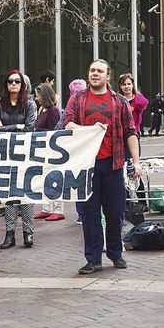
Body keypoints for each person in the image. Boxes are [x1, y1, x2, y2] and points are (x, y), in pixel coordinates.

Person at [64, 59, 143, 275]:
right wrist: (87, 129)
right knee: (89, 214)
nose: (95, 74)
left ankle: (116, 253)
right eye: (92, 70)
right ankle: (93, 259)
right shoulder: (77, 99)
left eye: (99, 71)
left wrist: (136, 162)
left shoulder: (118, 101)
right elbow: (67, 123)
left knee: (115, 212)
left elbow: (131, 132)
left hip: (114, 164)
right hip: (87, 166)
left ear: (108, 76)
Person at [0, 70, 38, 249]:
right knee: (8, 194)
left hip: (25, 153)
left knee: (26, 194)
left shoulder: (30, 104)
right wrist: (17, 126)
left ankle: (28, 233)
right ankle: (9, 234)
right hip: (4, 154)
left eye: (17, 81)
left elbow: (29, 128)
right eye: (10, 81)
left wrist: (8, 127)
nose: (13, 84)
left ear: (22, 84)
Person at [33, 84, 65, 222]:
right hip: (43, 150)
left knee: (55, 179)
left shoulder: (53, 111)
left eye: (38, 95)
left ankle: (58, 209)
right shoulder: (43, 109)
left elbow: (54, 131)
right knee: (45, 178)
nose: (36, 98)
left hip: (53, 151)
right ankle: (47, 208)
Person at [118, 73, 148, 208]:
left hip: (134, 136)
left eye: (129, 84)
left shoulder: (137, 100)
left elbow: (144, 103)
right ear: (120, 86)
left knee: (135, 169)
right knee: (122, 170)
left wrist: (135, 96)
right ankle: (126, 202)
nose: (126, 87)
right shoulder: (117, 99)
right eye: (124, 84)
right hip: (120, 138)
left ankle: (142, 201)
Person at [67, 79, 88, 224]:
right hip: (81, 151)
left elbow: (60, 125)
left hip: (79, 151)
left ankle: (82, 214)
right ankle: (83, 214)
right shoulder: (78, 103)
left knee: (80, 183)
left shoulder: (72, 103)